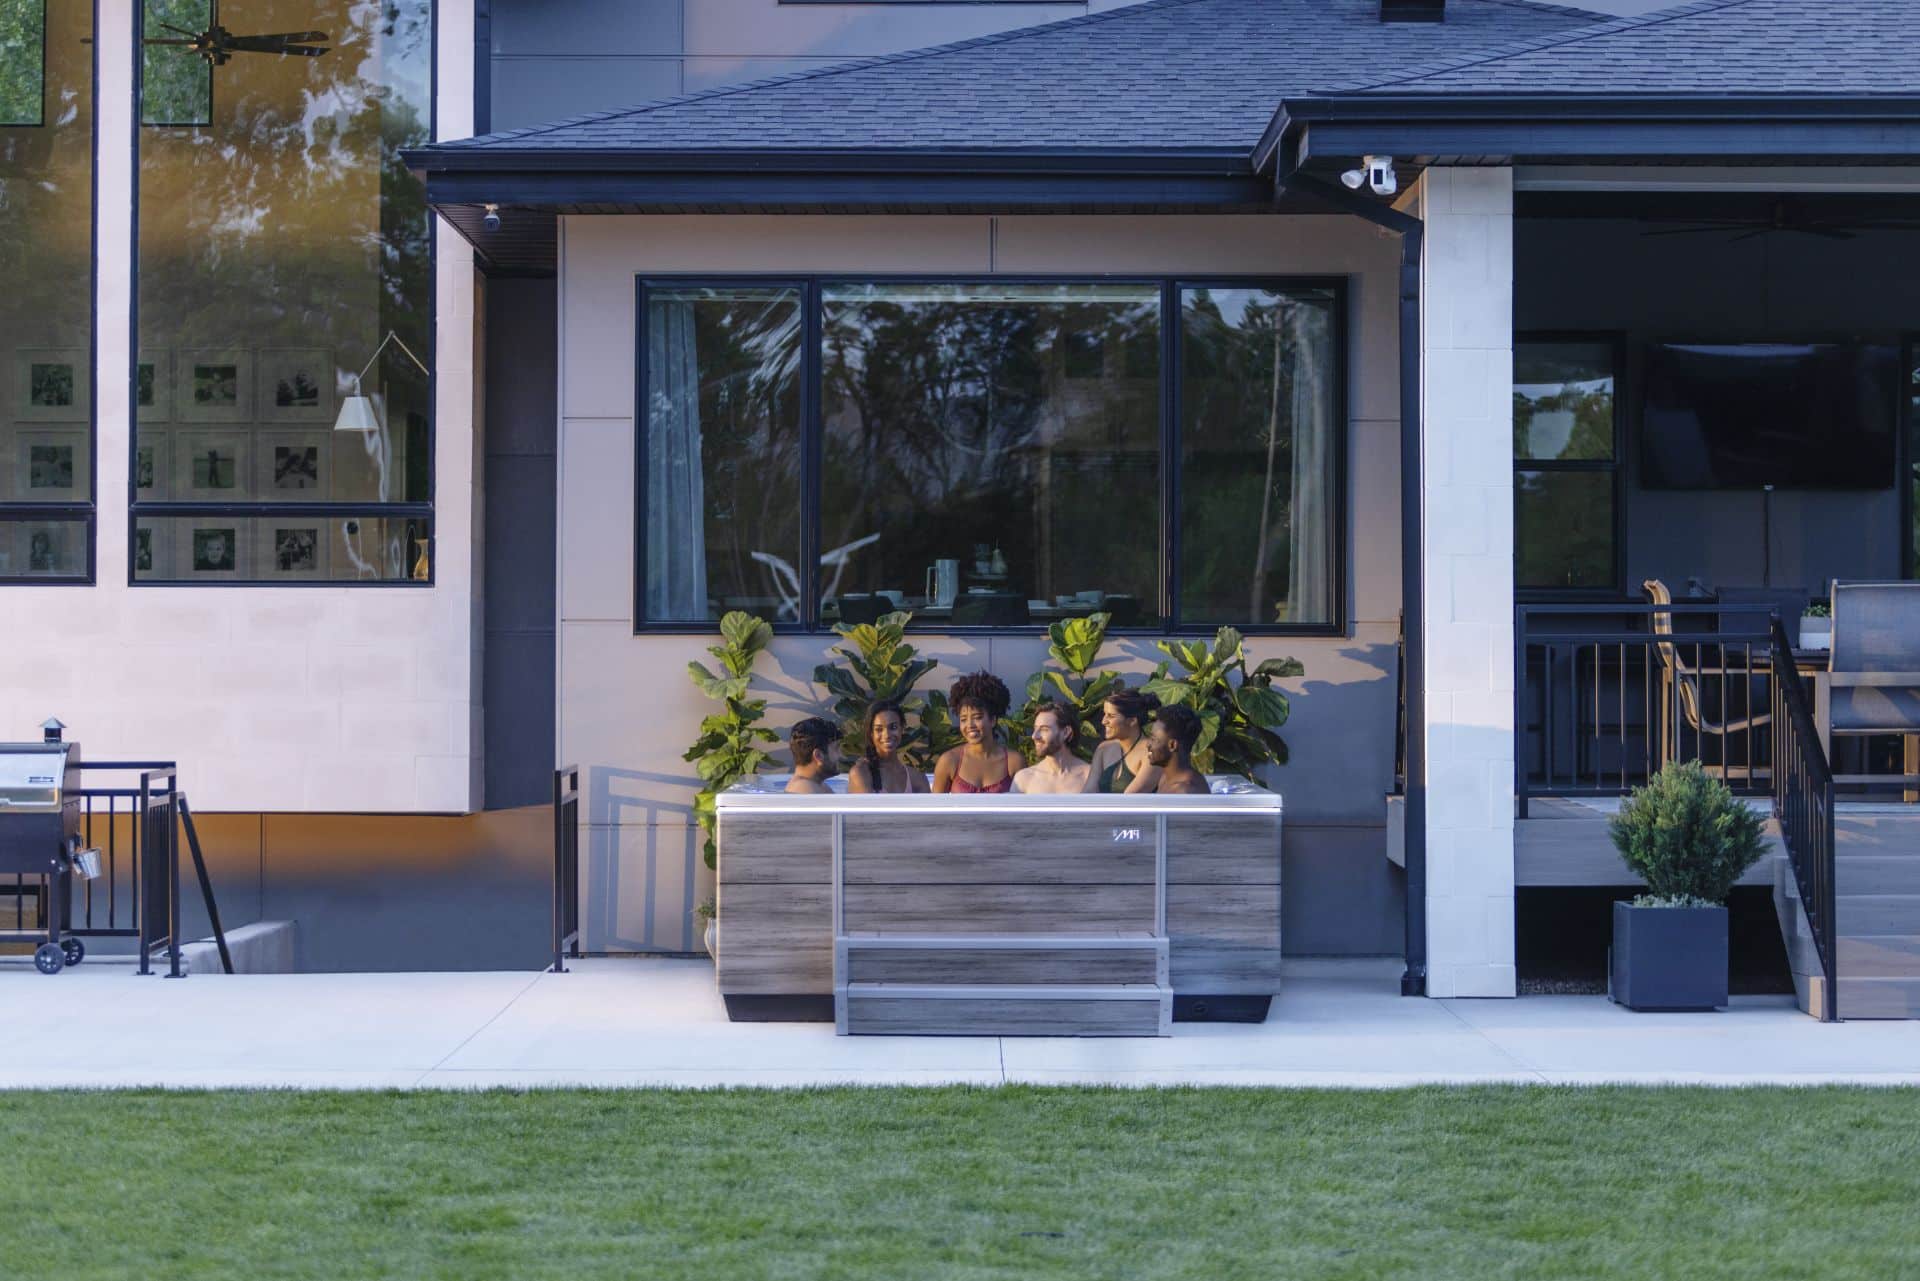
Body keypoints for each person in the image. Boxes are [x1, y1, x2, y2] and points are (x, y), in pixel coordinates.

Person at [933, 672, 1020, 794]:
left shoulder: (1013, 762)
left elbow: (1024, 809)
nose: (970, 725)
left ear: (993, 720)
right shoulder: (949, 761)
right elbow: (936, 810)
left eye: (977, 717)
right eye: (963, 719)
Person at [1084, 687, 1159, 793]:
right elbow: (1088, 792)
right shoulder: (1103, 748)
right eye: (1104, 714)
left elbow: (1130, 800)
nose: (1103, 721)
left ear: (1132, 720)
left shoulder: (1151, 752)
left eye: (1111, 716)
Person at [846, 698, 930, 794]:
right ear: (871, 733)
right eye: (879, 729)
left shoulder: (917, 778)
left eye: (893, 727)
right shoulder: (861, 773)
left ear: (902, 729)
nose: (887, 735)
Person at [1129, 704, 1211, 795]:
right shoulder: (1165, 778)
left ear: (1172, 745)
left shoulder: (1186, 791)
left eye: (1153, 739)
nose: (1148, 744)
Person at [1012, 701, 1091, 794]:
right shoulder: (1024, 778)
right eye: (1035, 728)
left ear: (1066, 732)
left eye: (1044, 729)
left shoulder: (1089, 776)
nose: (1034, 736)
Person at [784, 717, 841, 794]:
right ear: (818, 756)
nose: (841, 755)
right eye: (836, 749)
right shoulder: (804, 788)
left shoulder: (817, 785)